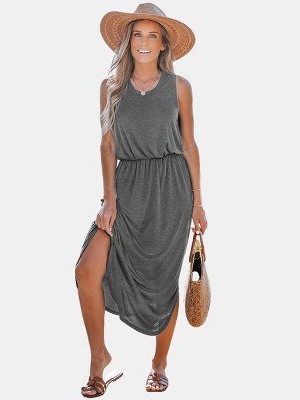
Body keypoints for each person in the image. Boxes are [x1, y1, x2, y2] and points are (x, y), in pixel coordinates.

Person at [74, 3, 208, 397]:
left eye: (153, 35)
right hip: (127, 185)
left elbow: (189, 145)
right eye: (137, 34)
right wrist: (109, 199)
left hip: (171, 190)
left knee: (164, 280)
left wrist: (198, 202)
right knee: (86, 270)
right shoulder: (110, 87)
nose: (144, 42)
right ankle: (98, 359)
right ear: (127, 40)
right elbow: (107, 144)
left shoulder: (180, 87)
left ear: (164, 43)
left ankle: (159, 364)